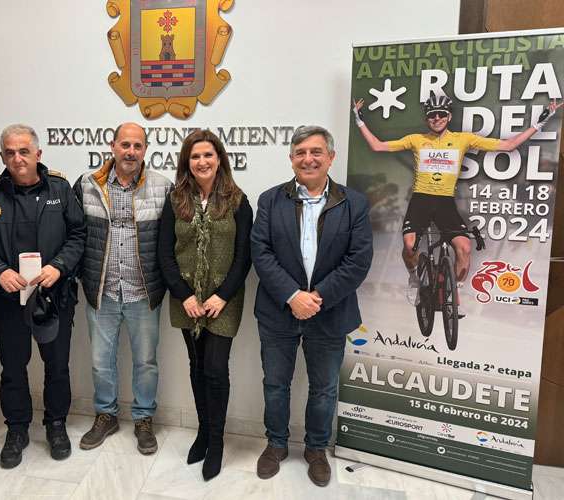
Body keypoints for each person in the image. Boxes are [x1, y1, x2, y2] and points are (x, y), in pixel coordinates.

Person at [352, 94, 561, 313]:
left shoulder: (463, 139)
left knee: (464, 248)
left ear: (449, 116)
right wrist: (359, 120)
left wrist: (541, 121)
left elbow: (509, 145)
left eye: (442, 114)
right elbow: (377, 146)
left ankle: (455, 289)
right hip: (421, 199)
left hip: (445, 202)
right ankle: (414, 278)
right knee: (409, 245)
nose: (437, 118)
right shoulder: (416, 139)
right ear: (427, 119)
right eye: (432, 115)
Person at [251, 126, 373, 486]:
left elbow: (358, 260)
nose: (308, 158)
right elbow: (261, 252)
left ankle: (316, 449)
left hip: (329, 312)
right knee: (275, 384)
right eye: (300, 152)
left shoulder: (354, 203)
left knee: (324, 388)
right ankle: (275, 444)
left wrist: (316, 297)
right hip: (278, 311)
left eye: (316, 152)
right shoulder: (270, 200)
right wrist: (293, 296)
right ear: (291, 159)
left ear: (330, 158)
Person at [0, 124, 85, 467]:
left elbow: (79, 233)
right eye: (9, 152)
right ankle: (16, 429)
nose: (17, 158)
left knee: (57, 366)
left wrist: (59, 266)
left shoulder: (60, 189)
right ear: (2, 155)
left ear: (38, 154)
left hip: (55, 296)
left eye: (24, 151)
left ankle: (56, 424)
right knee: (13, 368)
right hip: (9, 299)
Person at [157, 130, 252, 480]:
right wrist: (185, 295)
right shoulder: (176, 200)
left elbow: (244, 257)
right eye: (195, 156)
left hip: (223, 300)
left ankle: (217, 442)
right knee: (196, 366)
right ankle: (202, 432)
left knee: (215, 368)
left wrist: (220, 295)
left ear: (219, 159)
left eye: (208, 155)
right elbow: (165, 253)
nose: (202, 162)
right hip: (186, 299)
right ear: (187, 162)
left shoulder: (238, 200)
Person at [74, 122, 172, 455]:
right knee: (101, 362)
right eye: (125, 145)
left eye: (138, 146)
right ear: (113, 146)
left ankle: (144, 419)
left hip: (143, 292)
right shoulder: (87, 185)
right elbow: (75, 235)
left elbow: (170, 242)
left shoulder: (162, 186)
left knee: (146, 361)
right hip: (101, 291)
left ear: (146, 149)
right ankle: (106, 415)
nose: (131, 152)